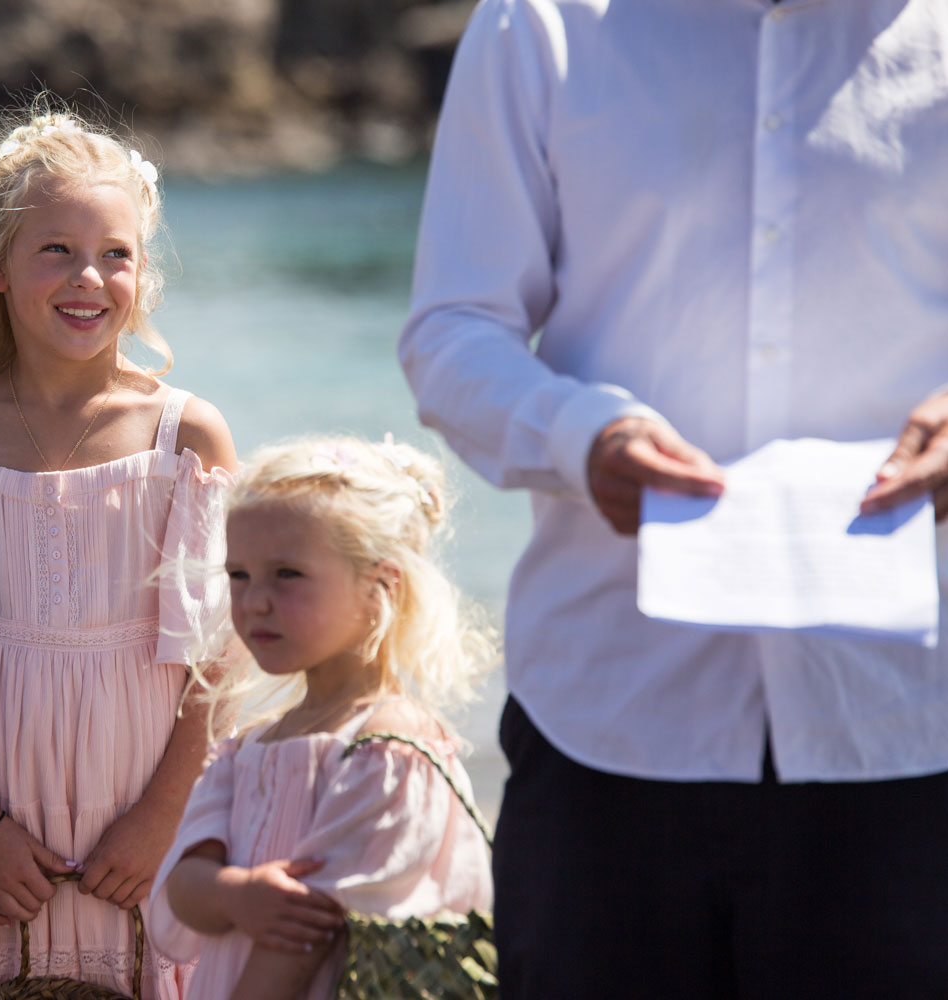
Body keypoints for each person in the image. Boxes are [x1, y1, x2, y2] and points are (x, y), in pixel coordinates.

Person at [399, 1, 948, 997]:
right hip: (605, 717)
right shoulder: (540, 22)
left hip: (911, 727)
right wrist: (582, 437)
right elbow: (452, 331)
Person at [0, 108, 238, 999]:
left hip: (147, 810)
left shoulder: (187, 437)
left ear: (144, 276)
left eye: (116, 253)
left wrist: (160, 820)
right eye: (55, 251)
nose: (89, 277)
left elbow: (222, 662)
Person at [146, 435, 495, 1000]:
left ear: (382, 584)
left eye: (286, 574)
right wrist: (236, 894)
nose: (254, 600)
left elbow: (299, 944)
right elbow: (181, 884)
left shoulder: (387, 747)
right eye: (239, 575)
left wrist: (232, 898)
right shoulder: (250, 746)